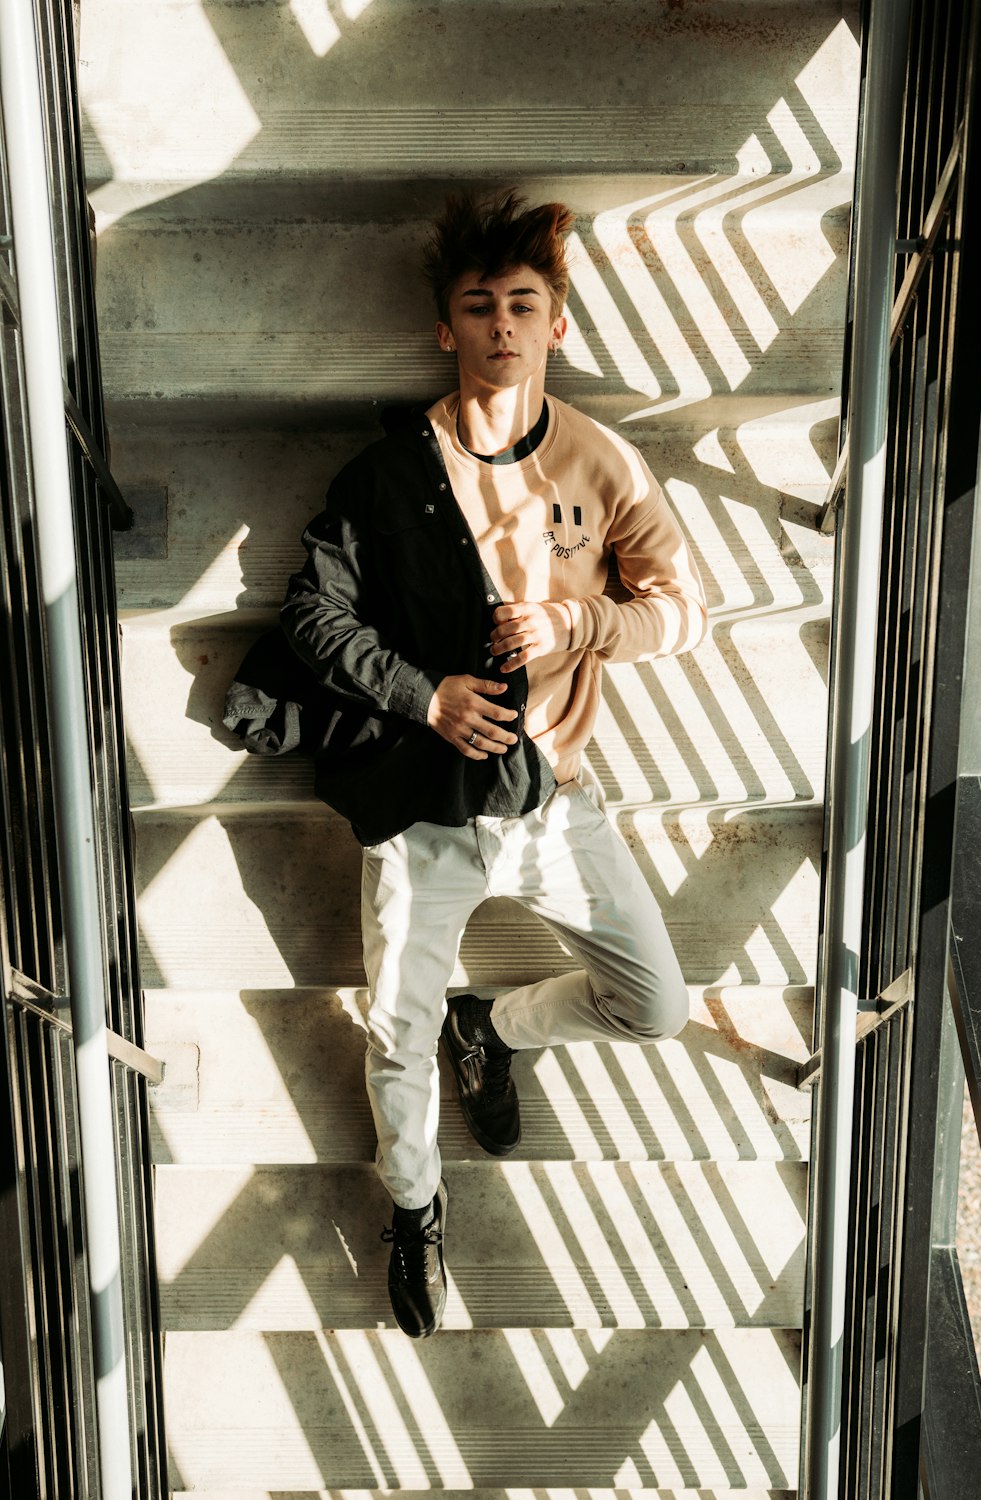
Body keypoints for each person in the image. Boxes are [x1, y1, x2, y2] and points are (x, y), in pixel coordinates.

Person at [280, 189, 708, 1338]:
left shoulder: (599, 460)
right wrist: (426, 696)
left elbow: (683, 611)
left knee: (657, 1005)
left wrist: (586, 629)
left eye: (524, 304)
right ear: (446, 329)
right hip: (426, 812)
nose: (502, 325)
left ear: (556, 325)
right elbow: (312, 619)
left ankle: (500, 1030)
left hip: (559, 803)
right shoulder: (390, 473)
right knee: (393, 1031)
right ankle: (414, 1207)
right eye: (479, 306)